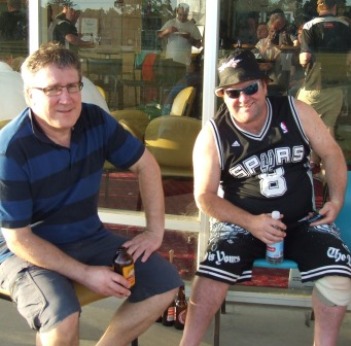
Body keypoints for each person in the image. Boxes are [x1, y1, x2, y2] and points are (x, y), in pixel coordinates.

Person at [0, 42, 182, 346]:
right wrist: (85, 273)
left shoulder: (95, 120)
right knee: (62, 320)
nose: (66, 98)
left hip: (86, 237)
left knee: (164, 284)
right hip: (24, 250)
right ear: (30, 95)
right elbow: (19, 239)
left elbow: (147, 165)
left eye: (73, 86)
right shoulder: (11, 150)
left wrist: (154, 231)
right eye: (53, 89)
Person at [179, 49, 351, 346]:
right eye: (234, 92)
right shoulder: (213, 134)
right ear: (222, 95)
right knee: (210, 276)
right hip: (241, 224)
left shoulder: (295, 111)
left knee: (338, 274)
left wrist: (334, 200)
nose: (243, 98)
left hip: (302, 220)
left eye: (250, 88)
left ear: (264, 85)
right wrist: (251, 222)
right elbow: (204, 197)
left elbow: (332, 154)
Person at [297, 0, 351, 171]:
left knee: (303, 123)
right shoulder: (345, 26)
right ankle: (327, 169)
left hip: (315, 85)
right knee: (328, 127)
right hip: (337, 87)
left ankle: (310, 166)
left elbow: (304, 57)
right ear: (335, 7)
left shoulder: (310, 26)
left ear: (319, 7)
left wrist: (303, 63)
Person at [158, 3, 202, 67]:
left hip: (185, 63)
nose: (182, 17)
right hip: (170, 61)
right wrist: (167, 31)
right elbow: (159, 37)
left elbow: (199, 45)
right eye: (180, 14)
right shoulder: (171, 23)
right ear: (177, 11)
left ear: (187, 14)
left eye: (184, 15)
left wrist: (189, 38)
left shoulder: (192, 26)